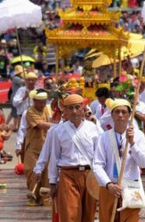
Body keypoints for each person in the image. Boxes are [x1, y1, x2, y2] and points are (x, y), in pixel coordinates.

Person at [92, 99, 145, 222]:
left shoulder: (138, 135)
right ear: (111, 115)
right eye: (117, 112)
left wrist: (133, 143)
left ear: (129, 115)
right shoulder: (103, 137)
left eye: (124, 112)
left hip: (130, 188)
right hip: (109, 189)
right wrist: (108, 184)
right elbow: (97, 165)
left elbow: (144, 163)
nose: (120, 115)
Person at [48, 94, 100, 222]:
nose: (74, 111)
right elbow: (54, 156)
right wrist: (52, 182)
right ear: (65, 111)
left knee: (89, 215)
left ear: (83, 108)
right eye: (70, 108)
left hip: (89, 175)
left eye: (77, 107)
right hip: (67, 175)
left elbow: (99, 156)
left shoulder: (93, 128)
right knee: (70, 215)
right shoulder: (58, 131)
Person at [23, 90, 52, 205]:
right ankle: (32, 196)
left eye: (44, 102)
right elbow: (41, 125)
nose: (42, 105)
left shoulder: (48, 109)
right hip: (33, 148)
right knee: (31, 171)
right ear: (34, 101)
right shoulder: (30, 112)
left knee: (46, 174)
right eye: (40, 102)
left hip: (46, 146)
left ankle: (44, 198)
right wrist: (57, 126)